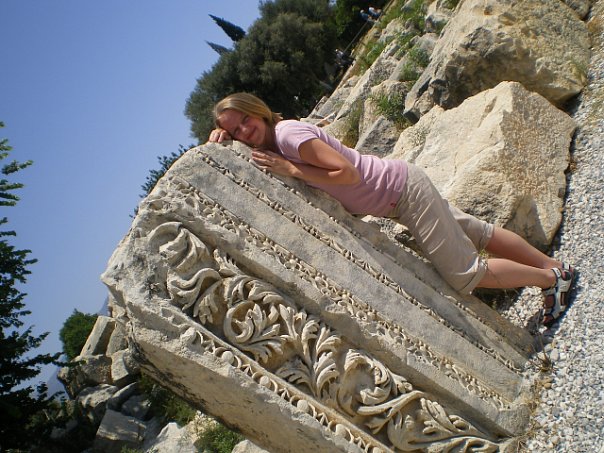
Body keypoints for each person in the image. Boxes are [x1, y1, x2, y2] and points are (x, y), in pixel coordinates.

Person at [207, 92, 575, 327]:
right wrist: (219, 140)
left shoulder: (288, 138)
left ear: (257, 111)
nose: (244, 131)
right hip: (401, 189)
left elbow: (347, 173)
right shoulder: (275, 141)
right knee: (478, 234)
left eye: (245, 120)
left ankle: (550, 281)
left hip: (403, 193)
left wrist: (292, 170)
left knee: (465, 275)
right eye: (235, 131)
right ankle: (556, 267)